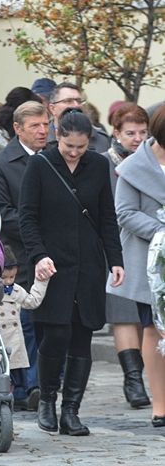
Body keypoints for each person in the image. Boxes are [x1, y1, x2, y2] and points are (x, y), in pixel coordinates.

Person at [19, 108, 124, 436]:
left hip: (89, 264)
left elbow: (107, 216)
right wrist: (38, 256)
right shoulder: (40, 165)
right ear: (57, 135)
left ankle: (71, 410)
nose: (75, 152)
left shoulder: (98, 164)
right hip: (52, 264)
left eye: (80, 146)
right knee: (56, 333)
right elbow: (27, 217)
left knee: (82, 337)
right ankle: (47, 399)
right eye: (68, 146)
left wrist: (115, 259)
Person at [0, 100, 50, 411]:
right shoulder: (0, 164)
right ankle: (27, 385)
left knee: (52, 322)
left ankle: (44, 382)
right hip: (19, 255)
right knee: (24, 323)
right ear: (18, 128)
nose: (42, 130)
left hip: (57, 254)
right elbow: (3, 213)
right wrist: (41, 232)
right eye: (35, 125)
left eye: (46, 124)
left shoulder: (54, 159)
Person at [108, 104, 165, 427]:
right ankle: (160, 405)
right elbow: (126, 213)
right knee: (154, 328)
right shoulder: (133, 168)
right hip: (152, 260)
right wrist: (161, 231)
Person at [101, 103, 152, 409]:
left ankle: (146, 376)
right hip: (116, 246)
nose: (136, 138)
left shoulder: (152, 161)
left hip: (151, 247)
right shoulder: (105, 162)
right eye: (130, 133)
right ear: (116, 133)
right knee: (123, 315)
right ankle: (133, 380)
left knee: (149, 318)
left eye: (142, 132)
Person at [0, 246, 49, 375]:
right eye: (4, 278)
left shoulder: (16, 290)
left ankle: (22, 391)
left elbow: (32, 301)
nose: (8, 282)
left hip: (13, 344)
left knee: (14, 373)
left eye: (12, 277)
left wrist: (41, 281)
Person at [47, 82, 111, 152]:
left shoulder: (100, 139)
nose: (76, 105)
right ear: (52, 108)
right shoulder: (42, 138)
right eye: (68, 101)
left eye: (79, 101)